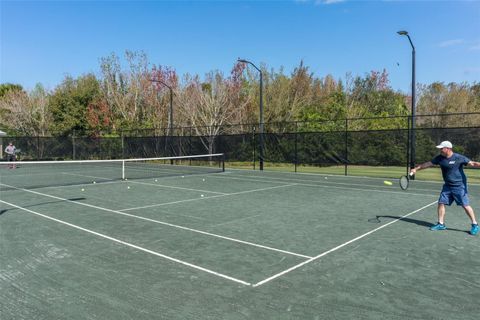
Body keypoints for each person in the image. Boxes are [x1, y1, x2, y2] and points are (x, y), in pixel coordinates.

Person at [410, 141, 480, 235]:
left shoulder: (458, 157)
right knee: (441, 203)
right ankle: (441, 224)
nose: (440, 150)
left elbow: (472, 163)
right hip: (447, 185)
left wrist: (477, 164)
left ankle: (475, 225)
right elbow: (428, 163)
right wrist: (416, 169)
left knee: (465, 205)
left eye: (442, 148)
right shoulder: (440, 158)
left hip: (459, 186)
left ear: (448, 148)